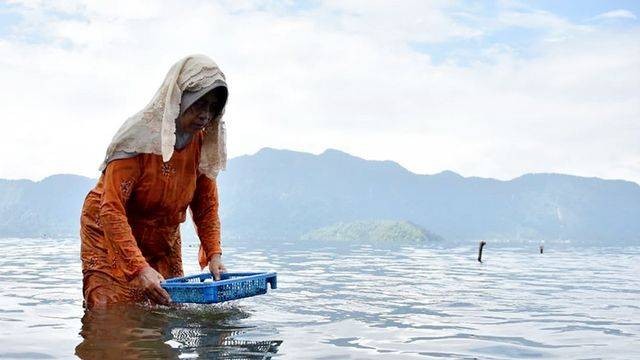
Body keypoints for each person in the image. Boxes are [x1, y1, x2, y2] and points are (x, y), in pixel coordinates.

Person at [80, 55, 229, 309]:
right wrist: (139, 268)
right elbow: (111, 209)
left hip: (162, 236)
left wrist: (214, 255)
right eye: (199, 104)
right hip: (108, 233)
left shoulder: (201, 145)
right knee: (112, 314)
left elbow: (205, 207)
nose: (205, 114)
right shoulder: (137, 141)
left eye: (212, 107)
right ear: (180, 100)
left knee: (165, 310)